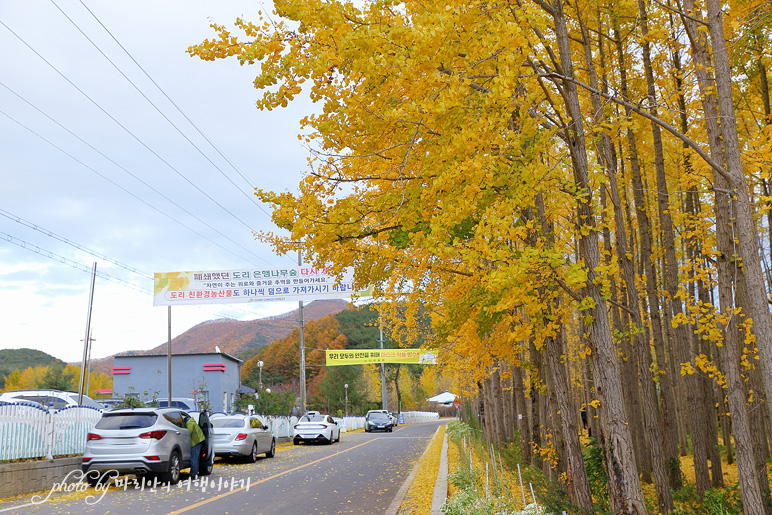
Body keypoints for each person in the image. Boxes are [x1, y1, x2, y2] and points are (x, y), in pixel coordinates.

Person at [185, 414, 205, 480]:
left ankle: (193, 474)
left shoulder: (189, 424)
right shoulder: (191, 421)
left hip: (196, 441)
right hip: (199, 440)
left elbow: (187, 434)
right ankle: (195, 472)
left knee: (194, 458)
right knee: (195, 458)